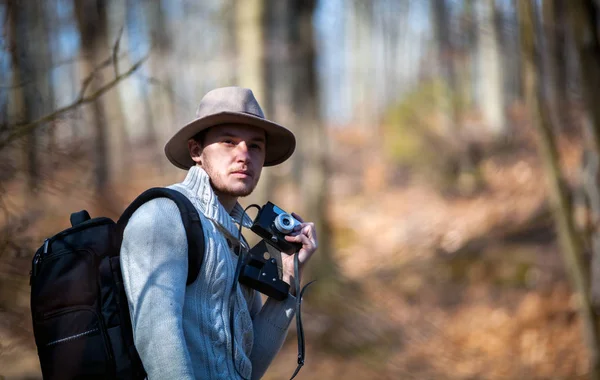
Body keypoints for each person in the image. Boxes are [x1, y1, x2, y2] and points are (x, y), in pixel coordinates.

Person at [120, 86, 318, 379]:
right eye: (228, 141)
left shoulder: (235, 237)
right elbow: (156, 336)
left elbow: (247, 367)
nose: (244, 156)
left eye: (255, 146)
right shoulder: (162, 215)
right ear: (196, 151)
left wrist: (290, 278)